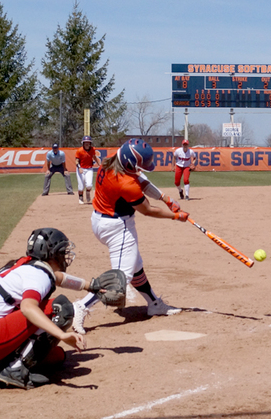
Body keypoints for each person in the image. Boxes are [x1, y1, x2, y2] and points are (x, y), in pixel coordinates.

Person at [72, 138, 189, 334]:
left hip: (100, 220)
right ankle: (81, 307)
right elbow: (148, 210)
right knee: (121, 278)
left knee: (135, 265)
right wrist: (176, 216)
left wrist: (165, 198)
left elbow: (142, 180)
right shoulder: (126, 184)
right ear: (129, 163)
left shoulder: (111, 161)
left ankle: (153, 303)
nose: (141, 170)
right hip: (119, 227)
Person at [0, 228, 88, 389]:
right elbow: (27, 308)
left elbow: (58, 278)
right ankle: (15, 368)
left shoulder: (23, 265)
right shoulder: (39, 275)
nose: (64, 255)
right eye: (61, 251)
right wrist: (62, 335)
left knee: (56, 356)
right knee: (60, 307)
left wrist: (91, 286)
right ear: (51, 253)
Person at [75, 135, 101, 205]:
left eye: (88, 142)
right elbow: (76, 160)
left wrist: (99, 164)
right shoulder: (79, 150)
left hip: (89, 168)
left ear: (90, 143)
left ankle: (88, 193)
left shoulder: (92, 149)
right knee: (81, 187)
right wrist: (79, 168)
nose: (87, 144)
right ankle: (81, 198)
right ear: (83, 143)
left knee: (89, 185)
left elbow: (94, 156)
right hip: (81, 168)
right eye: (85, 142)